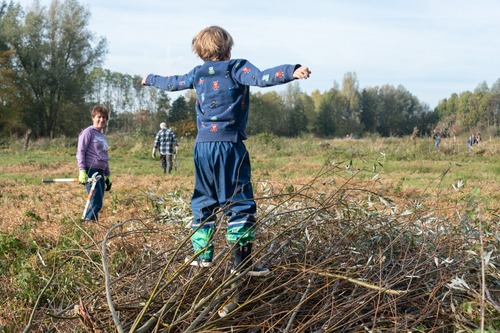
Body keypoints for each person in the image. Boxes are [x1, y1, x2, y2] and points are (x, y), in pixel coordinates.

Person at [142, 25, 311, 276]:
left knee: (204, 200)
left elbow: (171, 83)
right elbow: (262, 78)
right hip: (229, 145)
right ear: (228, 48)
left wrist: (150, 79)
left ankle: (202, 256)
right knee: (239, 201)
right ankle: (240, 264)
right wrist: (291, 71)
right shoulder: (236, 68)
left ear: (200, 52)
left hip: (202, 147)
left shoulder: (198, 73)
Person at [76, 105, 112, 223]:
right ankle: (86, 226)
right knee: (96, 203)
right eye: (99, 117)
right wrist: (82, 171)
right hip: (91, 170)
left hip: (100, 171)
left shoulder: (102, 136)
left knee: (97, 202)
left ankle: (93, 228)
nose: (101, 120)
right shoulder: (88, 132)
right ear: (93, 117)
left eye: (104, 117)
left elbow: (104, 156)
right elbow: (80, 151)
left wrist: (108, 175)